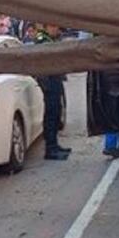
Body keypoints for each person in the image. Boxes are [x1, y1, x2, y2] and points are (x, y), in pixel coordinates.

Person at [34, 25, 71, 160]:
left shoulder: (51, 38)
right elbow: (42, 61)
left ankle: (55, 145)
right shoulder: (41, 39)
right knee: (51, 114)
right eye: (56, 27)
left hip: (55, 79)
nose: (58, 30)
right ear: (48, 26)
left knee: (56, 113)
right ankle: (50, 149)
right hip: (48, 81)